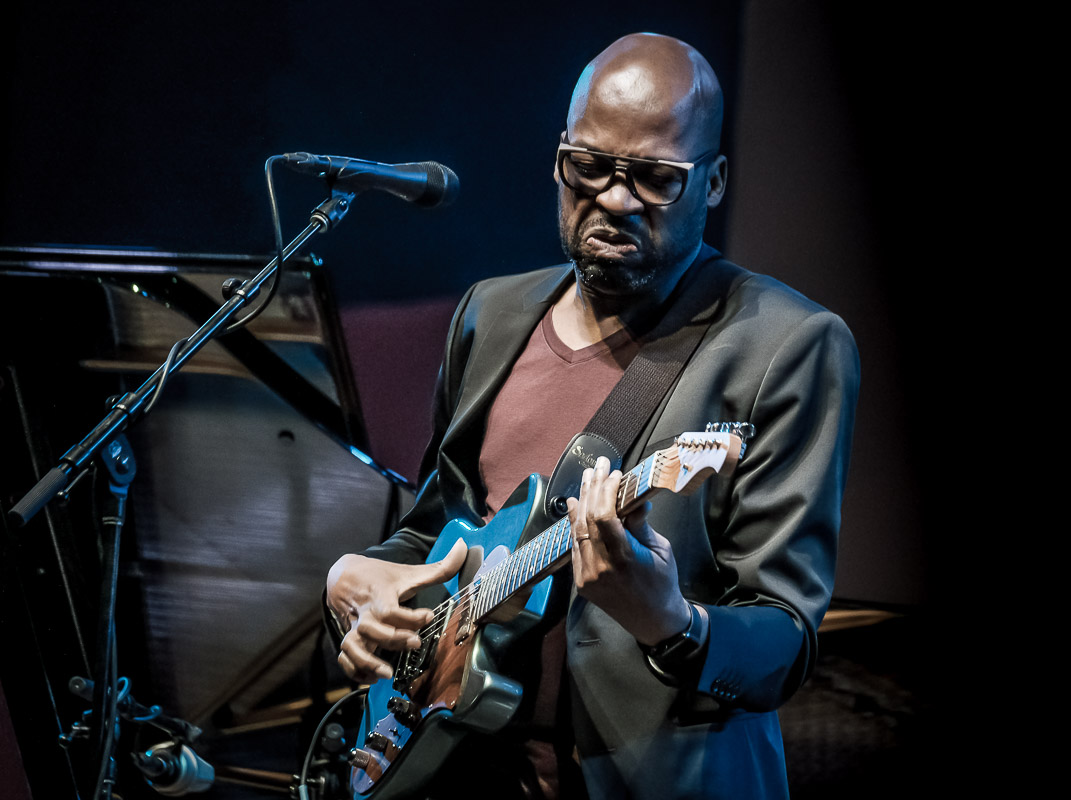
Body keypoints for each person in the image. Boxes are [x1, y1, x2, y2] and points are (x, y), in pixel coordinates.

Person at [326, 32, 860, 800]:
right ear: (558, 161)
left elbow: (784, 639)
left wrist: (671, 622)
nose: (614, 197)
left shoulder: (787, 346)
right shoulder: (492, 312)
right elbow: (436, 530)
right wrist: (348, 579)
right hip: (454, 765)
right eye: (591, 168)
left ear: (713, 183)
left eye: (655, 178)